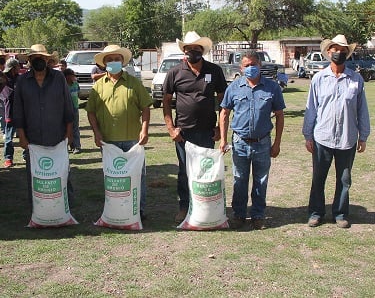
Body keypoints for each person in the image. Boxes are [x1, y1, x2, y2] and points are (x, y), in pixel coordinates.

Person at [302, 34, 370, 229]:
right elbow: (311, 108)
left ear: (347, 54)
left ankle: (340, 214)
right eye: (335, 49)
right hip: (322, 137)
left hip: (347, 138)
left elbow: (361, 109)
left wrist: (363, 136)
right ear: (328, 52)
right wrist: (308, 135)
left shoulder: (356, 79)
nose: (338, 53)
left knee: (344, 180)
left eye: (342, 50)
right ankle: (316, 213)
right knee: (318, 178)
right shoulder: (319, 78)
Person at [162, 31, 228, 224]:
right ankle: (184, 206)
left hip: (207, 131)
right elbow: (166, 102)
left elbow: (223, 100)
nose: (193, 52)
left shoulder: (214, 71)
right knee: (184, 170)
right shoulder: (174, 72)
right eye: (189, 49)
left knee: (206, 169)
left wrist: (219, 128)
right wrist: (170, 128)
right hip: (183, 132)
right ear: (184, 51)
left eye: (197, 49)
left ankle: (204, 204)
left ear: (203, 51)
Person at [219, 51, 285, 230]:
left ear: (260, 65)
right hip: (240, 142)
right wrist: (223, 139)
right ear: (241, 68)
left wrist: (277, 143)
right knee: (239, 179)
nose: (250, 68)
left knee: (261, 180)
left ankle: (258, 215)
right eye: (246, 65)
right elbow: (224, 113)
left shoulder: (272, 88)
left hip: (262, 142)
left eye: (253, 64)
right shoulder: (234, 87)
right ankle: (239, 215)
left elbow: (279, 115)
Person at [86, 45, 152, 219]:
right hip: (108, 141)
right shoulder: (98, 86)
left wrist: (144, 129)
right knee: (113, 178)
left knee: (137, 176)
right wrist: (96, 133)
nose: (113, 62)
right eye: (109, 59)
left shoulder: (134, 83)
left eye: (116, 59)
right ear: (104, 63)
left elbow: (145, 107)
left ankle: (139, 210)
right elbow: (90, 111)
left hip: (133, 140)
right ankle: (115, 208)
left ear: (122, 62)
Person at [13, 44, 75, 208]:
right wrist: (21, 136)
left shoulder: (59, 78)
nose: (38, 61)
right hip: (32, 138)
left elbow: (68, 107)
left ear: (47, 60)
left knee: (61, 171)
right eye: (35, 58)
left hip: (57, 135)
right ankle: (37, 207)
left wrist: (70, 133)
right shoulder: (22, 81)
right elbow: (18, 111)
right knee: (34, 173)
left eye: (42, 58)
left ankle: (65, 204)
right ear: (30, 61)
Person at [1, 58, 20, 168]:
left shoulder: (20, 79)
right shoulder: (5, 80)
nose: (19, 68)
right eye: (18, 67)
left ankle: (26, 156)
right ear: (13, 68)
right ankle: (8, 158)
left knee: (26, 135)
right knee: (9, 138)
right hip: (10, 113)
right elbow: (9, 95)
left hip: (22, 112)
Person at [64, 68, 82, 154]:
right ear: (66, 76)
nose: (73, 77)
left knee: (75, 127)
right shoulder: (63, 85)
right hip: (65, 109)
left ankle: (76, 146)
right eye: (71, 76)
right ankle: (66, 146)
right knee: (65, 128)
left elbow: (78, 93)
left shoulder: (75, 84)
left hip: (75, 108)